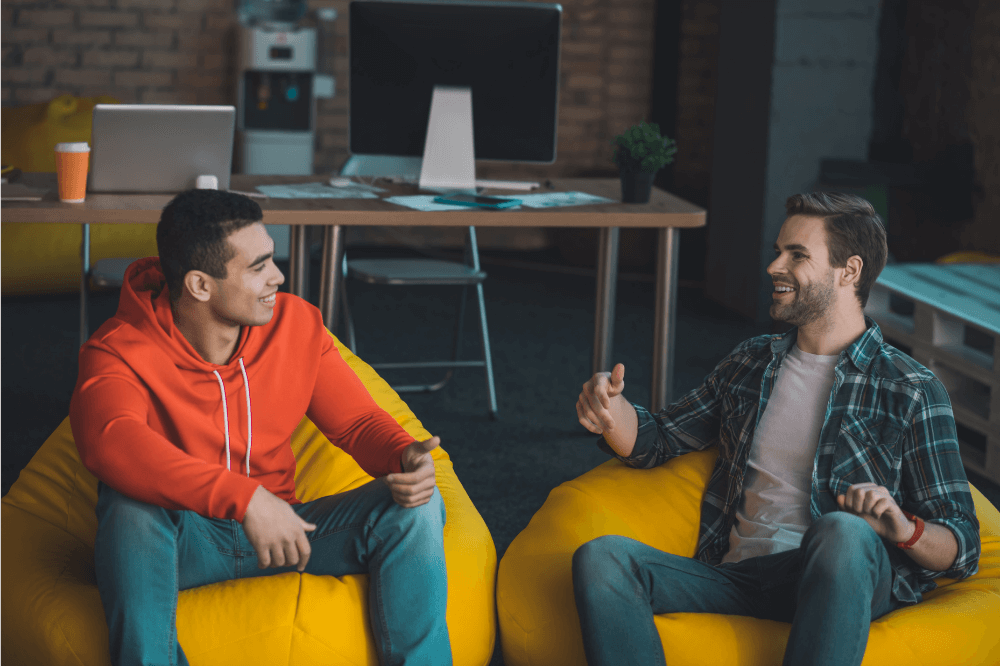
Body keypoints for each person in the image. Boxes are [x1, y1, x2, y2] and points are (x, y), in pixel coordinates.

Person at [572, 192, 980, 666]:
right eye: (778, 251)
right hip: (741, 576)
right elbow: (658, 437)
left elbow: (963, 543)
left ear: (849, 271)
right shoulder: (751, 362)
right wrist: (612, 410)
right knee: (602, 559)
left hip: (839, 576)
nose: (774, 267)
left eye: (797, 255)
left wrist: (904, 528)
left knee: (842, 531)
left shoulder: (911, 388)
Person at [70, 189, 452, 666]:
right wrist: (245, 498)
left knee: (415, 504)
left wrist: (403, 455)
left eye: (272, 258)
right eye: (258, 267)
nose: (279, 276)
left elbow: (357, 423)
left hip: (290, 532)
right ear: (200, 285)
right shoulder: (117, 349)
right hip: (186, 541)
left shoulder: (297, 323)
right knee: (128, 503)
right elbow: (111, 442)